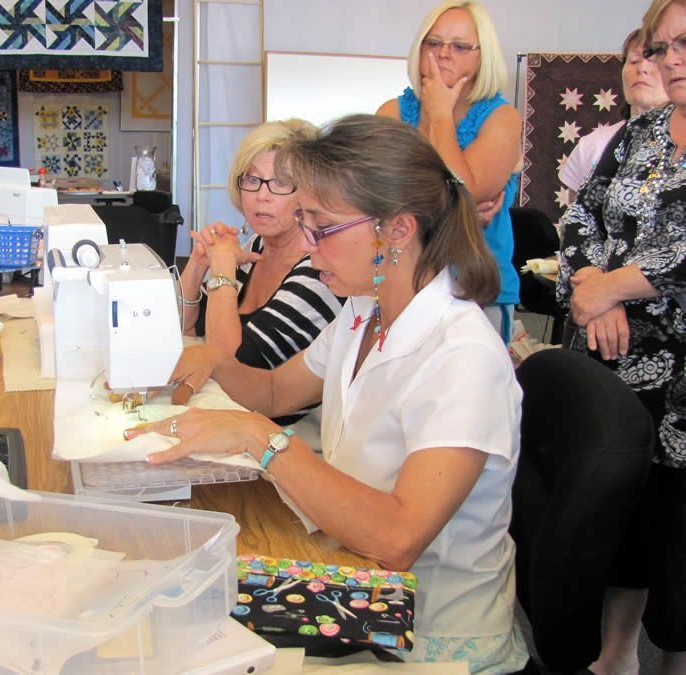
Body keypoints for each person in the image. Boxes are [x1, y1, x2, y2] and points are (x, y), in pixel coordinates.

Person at [127, 115, 528, 673]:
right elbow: (270, 390)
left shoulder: (462, 356)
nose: (311, 252)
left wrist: (259, 439)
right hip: (359, 588)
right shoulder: (365, 311)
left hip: (424, 636)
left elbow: (397, 537)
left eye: (323, 228)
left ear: (397, 230)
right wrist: (211, 360)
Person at [556, 1, 686, 673]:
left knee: (679, 585)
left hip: (683, 393)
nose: (671, 59)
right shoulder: (643, 134)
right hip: (616, 374)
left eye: (684, 43)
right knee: (620, 538)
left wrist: (617, 284)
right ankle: (615, 658)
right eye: (661, 48)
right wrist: (586, 288)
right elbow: (581, 217)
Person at [176, 119, 343, 421]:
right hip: (222, 412)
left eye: (280, 183)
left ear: (309, 194)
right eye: (252, 180)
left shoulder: (319, 272)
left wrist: (223, 267)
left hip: (279, 433)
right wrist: (198, 266)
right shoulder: (257, 245)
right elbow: (185, 329)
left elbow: (230, 365)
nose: (262, 195)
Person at [377, 0, 522, 344]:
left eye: (459, 47)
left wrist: (440, 114)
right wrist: (458, 209)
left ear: (482, 56)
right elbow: (374, 199)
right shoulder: (391, 112)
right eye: (434, 43)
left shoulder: (502, 118)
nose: (444, 54)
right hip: (400, 281)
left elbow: (465, 192)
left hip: (474, 288)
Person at [559, 28, 669, 194]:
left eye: (654, 61)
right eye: (633, 61)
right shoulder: (591, 146)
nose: (642, 69)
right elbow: (575, 216)